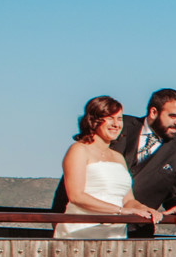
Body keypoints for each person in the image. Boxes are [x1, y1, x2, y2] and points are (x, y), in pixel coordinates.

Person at [50, 87, 176, 226]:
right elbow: (75, 184)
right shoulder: (117, 126)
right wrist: (58, 218)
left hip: (134, 231)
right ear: (153, 112)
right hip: (77, 222)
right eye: (173, 116)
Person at [55, 96, 161, 239]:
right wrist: (119, 211)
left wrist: (143, 209)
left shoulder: (118, 157)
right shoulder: (79, 150)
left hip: (114, 233)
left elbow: (128, 200)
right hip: (80, 232)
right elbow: (76, 196)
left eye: (119, 119)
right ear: (94, 120)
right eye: (110, 118)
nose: (116, 124)